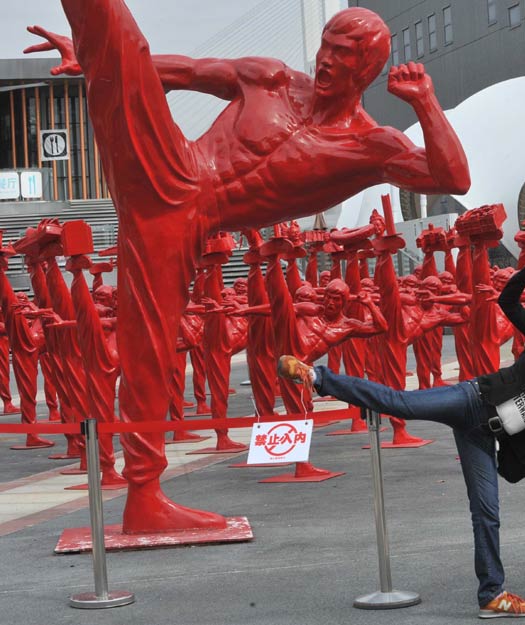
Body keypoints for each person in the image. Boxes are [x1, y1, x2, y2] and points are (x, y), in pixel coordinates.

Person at [25, 4, 468, 533]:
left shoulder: (371, 146)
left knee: (149, 345)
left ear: (367, 69)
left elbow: (452, 178)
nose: (328, 61)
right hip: (171, 167)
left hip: (187, 222)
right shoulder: (271, 78)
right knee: (125, 47)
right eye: (327, 46)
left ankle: (144, 498)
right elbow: (185, 71)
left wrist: (424, 102)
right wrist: (96, 60)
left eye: (345, 55)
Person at [279, 254, 525, 619]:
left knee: (487, 513)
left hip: (486, 438)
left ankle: (491, 595)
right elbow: (508, 302)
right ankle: (317, 377)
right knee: (401, 403)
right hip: (472, 400)